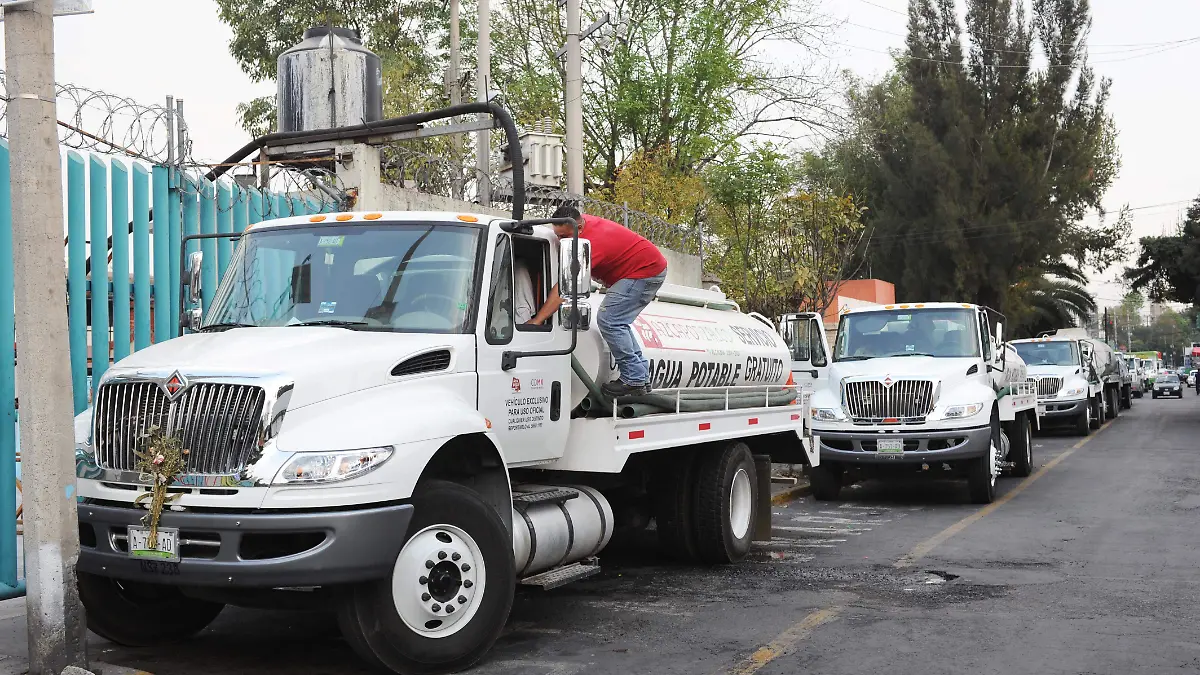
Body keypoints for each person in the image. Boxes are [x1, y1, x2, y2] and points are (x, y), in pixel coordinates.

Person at [526, 205, 668, 397]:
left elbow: (566, 288)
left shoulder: (591, 244)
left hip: (645, 271)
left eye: (563, 237)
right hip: (645, 267)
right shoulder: (578, 225)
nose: (559, 241)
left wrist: (538, 319)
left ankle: (634, 379)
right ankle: (640, 377)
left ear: (579, 227)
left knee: (610, 320)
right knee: (618, 322)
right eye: (557, 235)